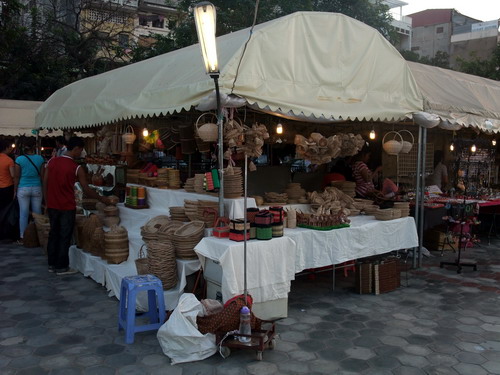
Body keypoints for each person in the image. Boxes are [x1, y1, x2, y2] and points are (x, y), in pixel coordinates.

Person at [43, 136, 110, 275]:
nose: (81, 153)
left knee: (54, 234)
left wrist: (46, 201)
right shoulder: (76, 167)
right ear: (76, 149)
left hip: (53, 204)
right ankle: (62, 267)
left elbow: (45, 182)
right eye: (81, 150)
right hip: (67, 206)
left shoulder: (52, 162)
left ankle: (51, 264)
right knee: (64, 236)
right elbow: (86, 189)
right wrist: (101, 198)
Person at [14, 139, 45, 242]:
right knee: (37, 213)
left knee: (23, 213)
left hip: (23, 188)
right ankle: (40, 237)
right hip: (37, 187)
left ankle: (23, 237)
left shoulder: (19, 159)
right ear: (35, 147)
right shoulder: (40, 158)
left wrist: (15, 190)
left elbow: (17, 176)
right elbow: (42, 176)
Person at [0, 140, 17, 210]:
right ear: (6, 148)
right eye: (9, 147)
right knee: (6, 207)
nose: (11, 149)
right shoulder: (9, 160)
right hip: (7, 187)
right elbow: (13, 175)